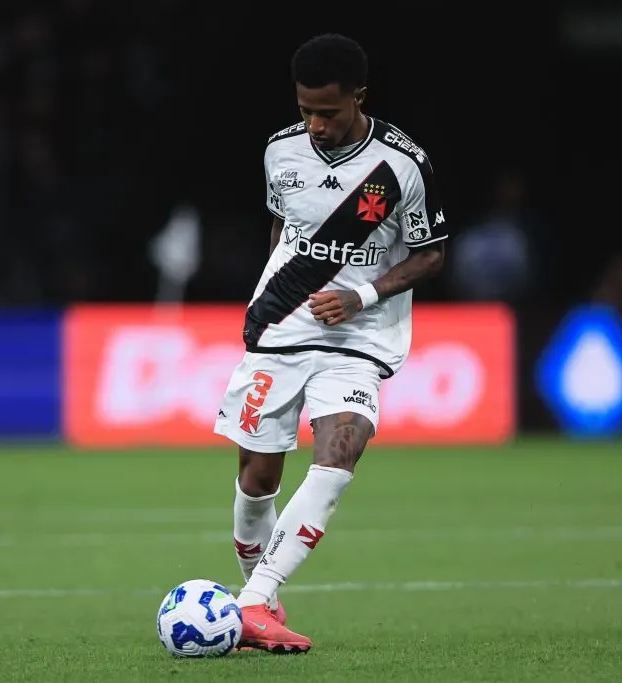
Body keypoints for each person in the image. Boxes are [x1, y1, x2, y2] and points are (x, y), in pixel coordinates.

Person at [213, 33, 448, 654]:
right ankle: (257, 591)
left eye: (328, 111)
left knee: (341, 448)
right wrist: (275, 299)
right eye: (305, 110)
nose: (315, 124)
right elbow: (282, 223)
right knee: (258, 476)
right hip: (280, 329)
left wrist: (362, 295)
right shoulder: (280, 151)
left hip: (359, 335)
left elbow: (431, 254)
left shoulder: (401, 167)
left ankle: (254, 602)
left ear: (358, 98)